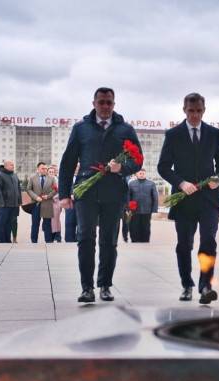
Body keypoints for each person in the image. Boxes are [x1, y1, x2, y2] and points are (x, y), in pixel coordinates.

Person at [59, 87, 142, 303]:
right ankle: (87, 288)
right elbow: (67, 163)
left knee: (109, 241)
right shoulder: (80, 129)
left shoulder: (125, 129)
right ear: (94, 103)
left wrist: (121, 168)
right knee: (85, 239)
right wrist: (64, 194)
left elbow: (138, 161)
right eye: (102, 102)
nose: (105, 107)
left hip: (114, 192)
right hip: (86, 191)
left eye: (109, 103)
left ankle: (105, 285)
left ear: (114, 104)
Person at [157, 92, 219, 304]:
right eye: (191, 111)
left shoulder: (214, 133)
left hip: (209, 200)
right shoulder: (173, 135)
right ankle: (187, 285)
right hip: (184, 199)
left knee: (209, 241)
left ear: (204, 110)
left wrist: (218, 178)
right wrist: (180, 183)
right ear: (184, 110)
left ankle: (206, 285)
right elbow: (163, 167)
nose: (195, 115)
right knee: (184, 244)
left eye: (198, 111)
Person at [26, 162, 56, 243]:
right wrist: (36, 197)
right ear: (38, 169)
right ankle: (34, 241)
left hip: (47, 204)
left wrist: (48, 196)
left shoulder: (51, 178)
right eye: (43, 168)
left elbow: (55, 190)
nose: (45, 170)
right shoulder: (32, 178)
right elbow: (28, 189)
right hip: (36, 204)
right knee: (35, 224)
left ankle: (48, 241)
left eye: (46, 168)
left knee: (47, 225)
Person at [127, 169, 159, 242]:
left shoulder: (151, 184)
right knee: (134, 225)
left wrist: (154, 209)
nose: (141, 174)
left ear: (145, 174)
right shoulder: (131, 184)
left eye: (143, 173)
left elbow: (155, 197)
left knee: (146, 226)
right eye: (140, 173)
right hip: (134, 209)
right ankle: (134, 240)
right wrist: (128, 208)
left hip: (147, 209)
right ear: (136, 174)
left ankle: (145, 240)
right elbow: (128, 196)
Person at [0, 160, 22, 243]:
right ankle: (1, 241)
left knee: (10, 224)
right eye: (11, 165)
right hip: (4, 205)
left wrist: (19, 201)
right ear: (5, 166)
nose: (13, 166)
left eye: (13, 165)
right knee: (2, 224)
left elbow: (18, 189)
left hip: (14, 205)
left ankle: (8, 240)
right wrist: (1, 203)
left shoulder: (14, 175)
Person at [64, 165, 79, 243]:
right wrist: (69, 195)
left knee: (80, 221)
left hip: (80, 203)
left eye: (78, 168)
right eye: (75, 167)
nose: (76, 169)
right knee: (69, 221)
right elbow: (63, 188)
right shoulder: (68, 178)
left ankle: (79, 238)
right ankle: (69, 239)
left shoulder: (83, 178)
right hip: (69, 203)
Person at [48, 166, 62, 242]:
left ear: (55, 173)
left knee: (56, 220)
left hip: (56, 202)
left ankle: (57, 236)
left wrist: (53, 197)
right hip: (47, 203)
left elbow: (60, 191)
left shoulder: (57, 180)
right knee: (49, 221)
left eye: (52, 172)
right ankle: (51, 236)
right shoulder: (47, 180)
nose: (51, 173)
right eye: (49, 172)